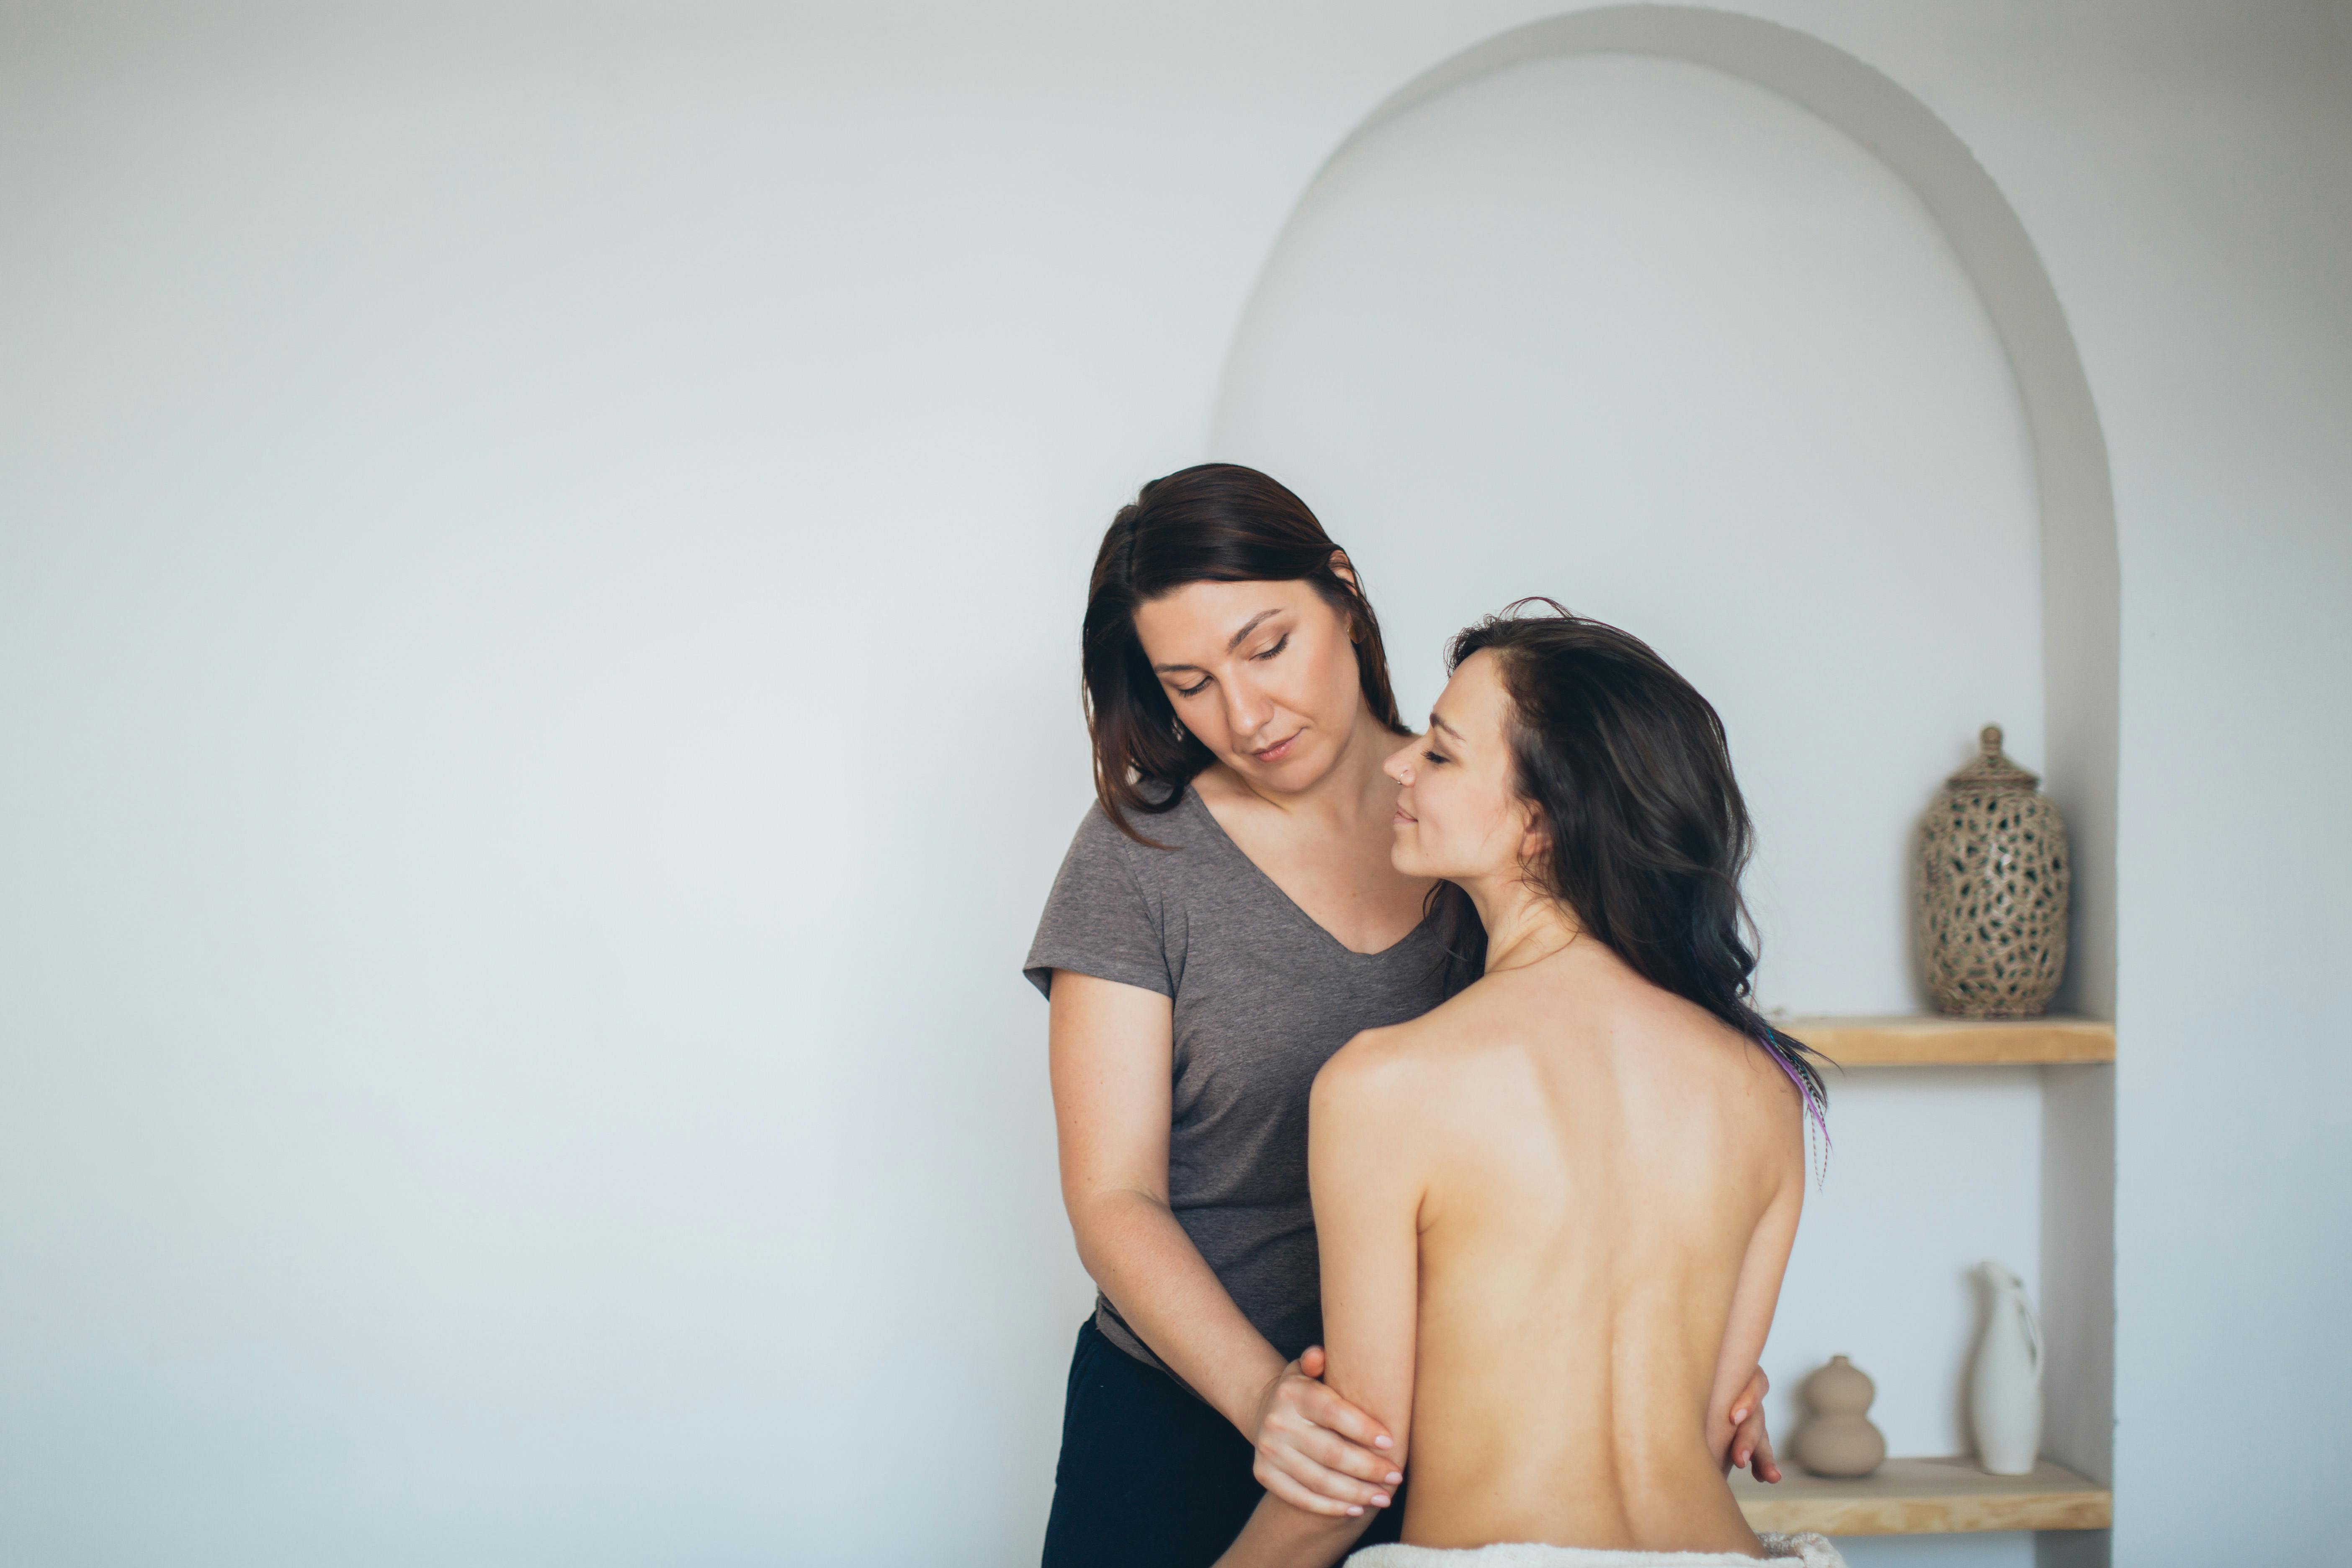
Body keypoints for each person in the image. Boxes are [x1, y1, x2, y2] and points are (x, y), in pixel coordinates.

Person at [1025, 471, 1781, 1568]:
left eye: (1266, 646)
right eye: (1188, 683)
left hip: (1456, 1424)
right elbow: (1113, 1193)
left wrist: (1691, 1351)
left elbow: (1634, 1112)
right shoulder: (1140, 856)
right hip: (1183, 1411)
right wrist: (1268, 1402)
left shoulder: (1488, 815)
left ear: (1341, 593)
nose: (1244, 715)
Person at [1208, 604, 1839, 1568]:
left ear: (1540, 821)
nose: (1398, 765)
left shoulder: (1388, 1085)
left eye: (1443, 754)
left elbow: (1354, 1473)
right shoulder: (1765, 1089)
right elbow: (1718, 1429)